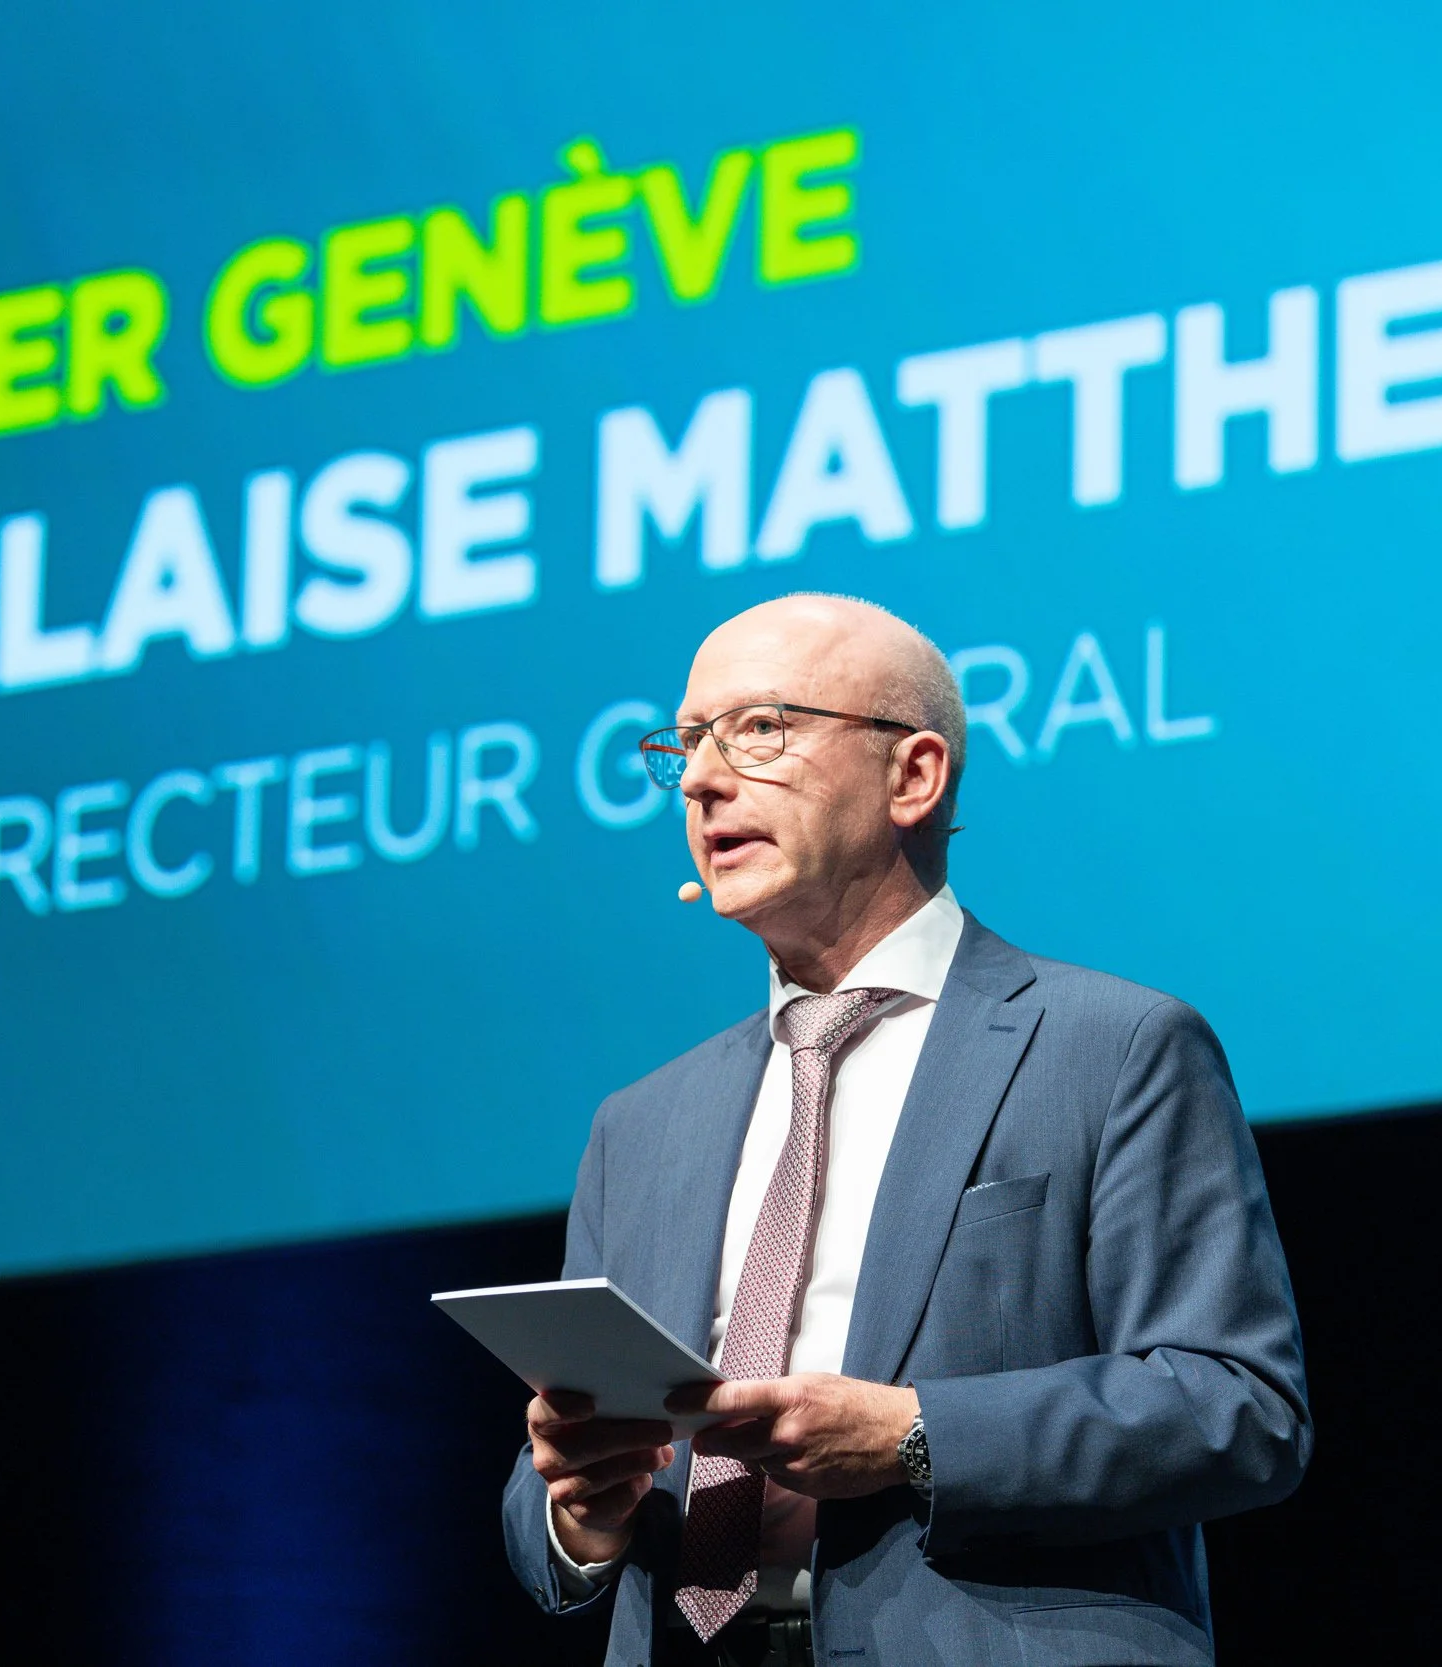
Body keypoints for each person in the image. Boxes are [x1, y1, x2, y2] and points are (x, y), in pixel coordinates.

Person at [502, 594, 1310, 1665]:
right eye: (686, 741)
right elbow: (541, 1523)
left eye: (758, 729)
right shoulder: (641, 1124)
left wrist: (912, 1433)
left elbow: (1237, 1407)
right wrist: (579, 1508)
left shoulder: (1112, 1047)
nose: (699, 777)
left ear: (912, 775)